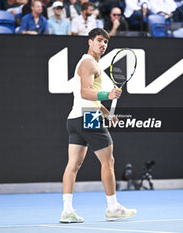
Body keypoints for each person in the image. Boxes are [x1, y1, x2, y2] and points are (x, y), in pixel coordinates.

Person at [60, 28, 137, 223]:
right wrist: (108, 95)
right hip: (87, 117)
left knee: (73, 165)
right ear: (90, 42)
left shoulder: (89, 63)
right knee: (108, 161)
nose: (103, 45)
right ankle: (113, 208)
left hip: (75, 119)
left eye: (106, 42)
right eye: (99, 40)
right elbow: (86, 92)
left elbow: (86, 96)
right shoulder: (88, 63)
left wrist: (106, 112)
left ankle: (67, 211)